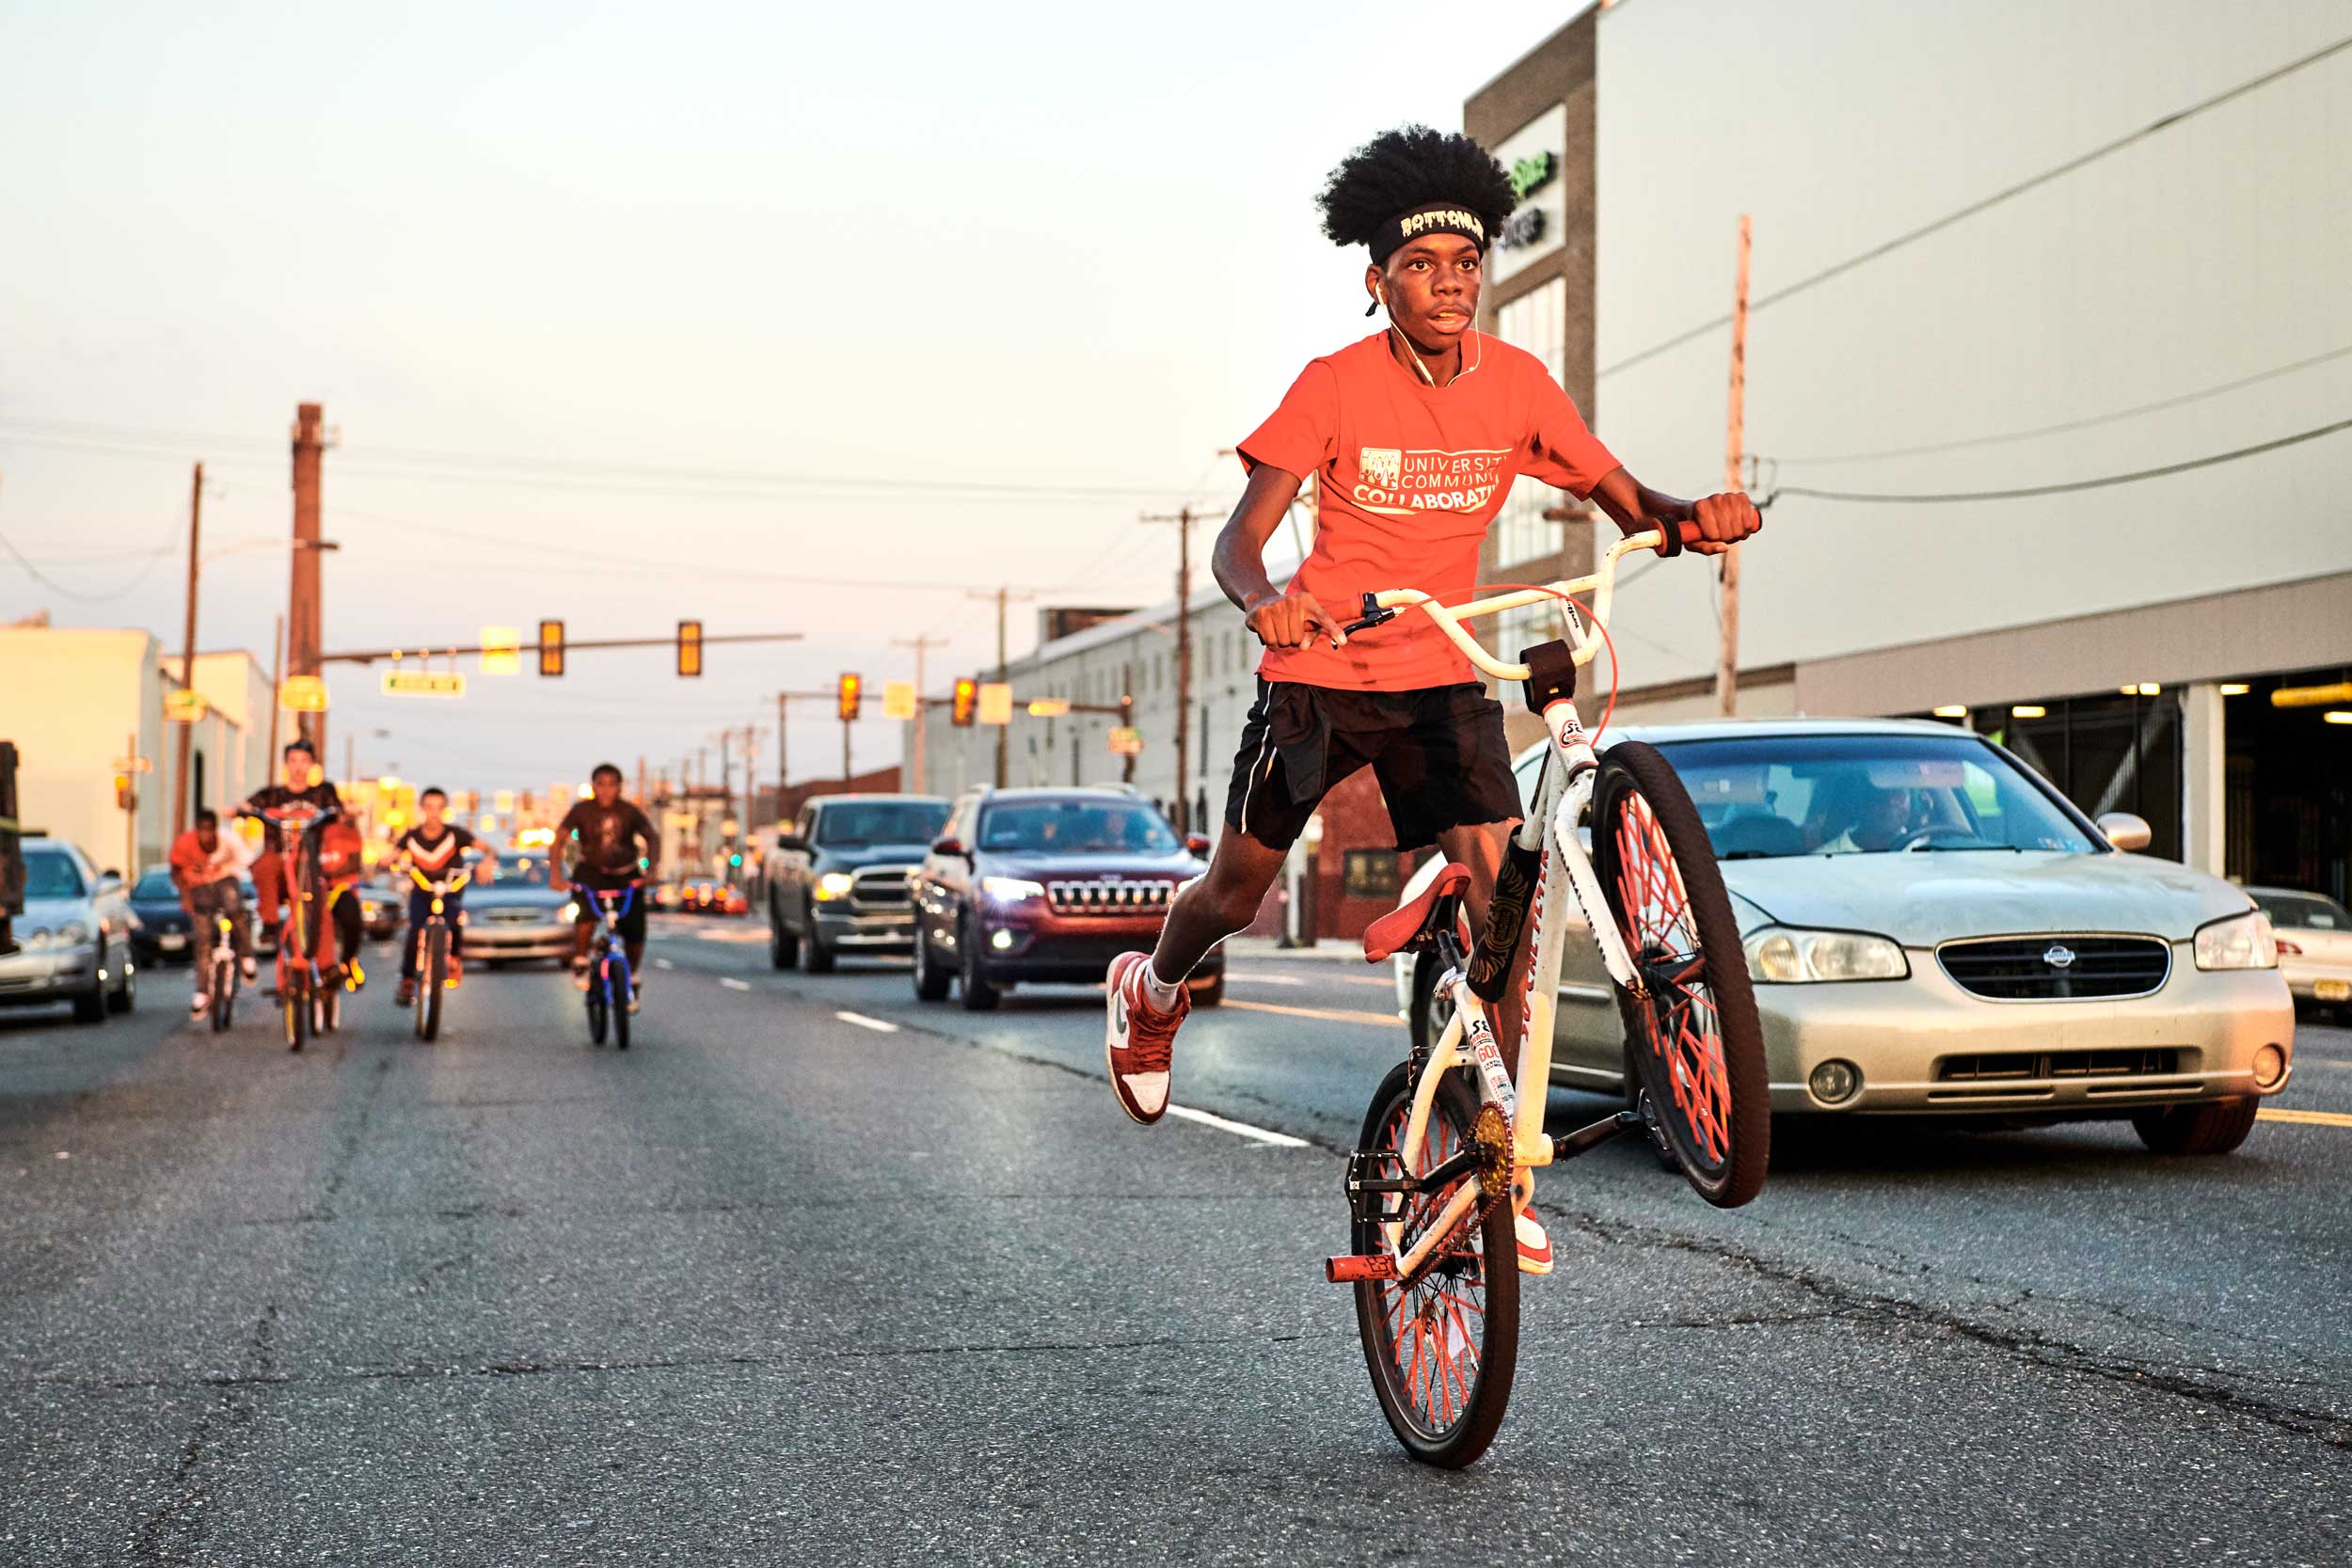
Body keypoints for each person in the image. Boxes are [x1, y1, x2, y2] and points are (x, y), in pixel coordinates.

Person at [1102, 126, 1764, 1275]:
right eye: (1420, 268)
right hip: (1319, 674)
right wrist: (1267, 602)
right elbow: (1240, 539)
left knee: (1504, 912)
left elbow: (1625, 499)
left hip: (1441, 673)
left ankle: (1497, 1163)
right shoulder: (1333, 387)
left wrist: (1685, 518)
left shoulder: (1518, 384)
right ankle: (1151, 988)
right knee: (1238, 887)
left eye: (1464, 264)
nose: (1448, 284)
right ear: (1379, 284)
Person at [242, 739, 365, 990]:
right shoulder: (272, 795)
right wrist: (239, 810)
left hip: (307, 867)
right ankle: (269, 924)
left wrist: (348, 811)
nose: (298, 767)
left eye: (304, 761)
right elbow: (247, 806)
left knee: (320, 907)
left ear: (312, 764)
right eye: (293, 761)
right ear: (286, 764)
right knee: (264, 864)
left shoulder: (320, 795)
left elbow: (340, 810)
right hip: (278, 862)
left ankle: (327, 966)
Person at [550, 764, 660, 1012]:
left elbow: (652, 837)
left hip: (626, 874)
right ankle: (580, 960)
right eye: (601, 784)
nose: (606, 790)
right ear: (593, 786)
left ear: (620, 787)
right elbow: (558, 840)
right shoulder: (581, 810)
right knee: (584, 914)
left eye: (612, 784)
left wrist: (651, 871)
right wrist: (556, 876)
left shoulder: (630, 811)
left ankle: (631, 976)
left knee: (635, 928)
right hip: (591, 872)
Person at [389, 787, 497, 1006]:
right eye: (429, 807)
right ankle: (407, 979)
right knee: (414, 930)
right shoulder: (411, 837)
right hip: (422, 892)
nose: (434, 813)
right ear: (422, 809)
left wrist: (487, 861)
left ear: (444, 810)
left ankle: (454, 959)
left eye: (439, 808)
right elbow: (392, 855)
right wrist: (386, 861)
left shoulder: (456, 835)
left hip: (450, 892)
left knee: (455, 920)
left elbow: (489, 849)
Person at [167, 807, 255, 1015]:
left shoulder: (229, 841)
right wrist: (185, 896)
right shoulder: (185, 844)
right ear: (196, 830)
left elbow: (248, 860)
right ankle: (202, 992)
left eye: (209, 829)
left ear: (216, 829)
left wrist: (225, 868)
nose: (206, 835)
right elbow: (176, 870)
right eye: (201, 830)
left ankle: (246, 957)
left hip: (225, 882)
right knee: (203, 940)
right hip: (199, 888)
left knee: (236, 910)